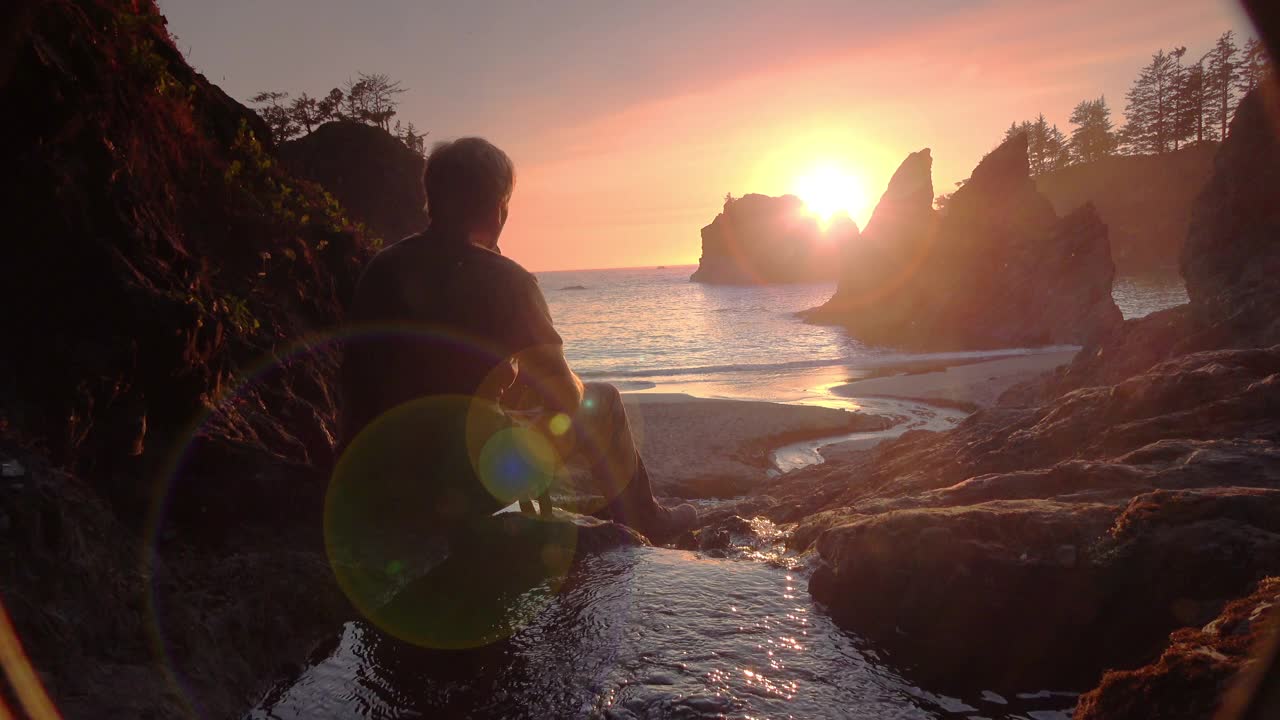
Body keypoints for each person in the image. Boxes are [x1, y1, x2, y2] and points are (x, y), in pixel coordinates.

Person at [338, 137, 697, 543]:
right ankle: (645, 520)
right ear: (497, 208)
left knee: (497, 412)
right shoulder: (505, 279)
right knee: (605, 401)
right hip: (458, 485)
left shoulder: (381, 267)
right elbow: (566, 397)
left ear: (431, 201)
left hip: (371, 476)